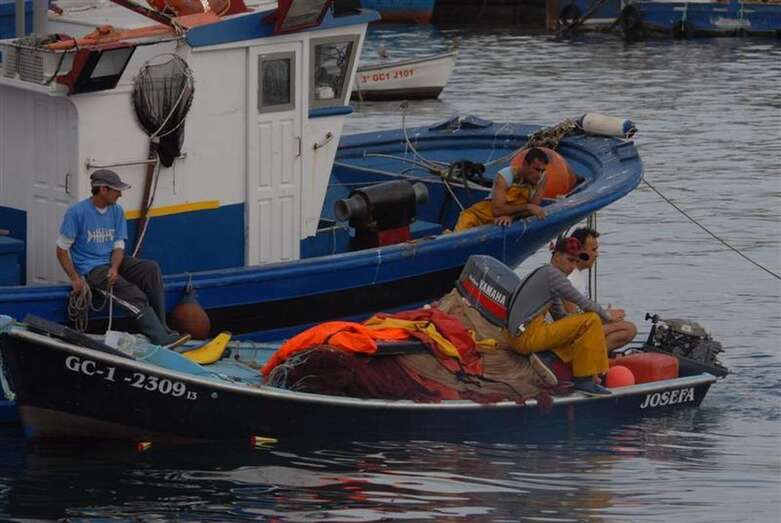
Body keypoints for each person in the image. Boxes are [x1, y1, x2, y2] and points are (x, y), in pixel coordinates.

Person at [55, 169, 188, 347]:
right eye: (116, 190)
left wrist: (115, 268)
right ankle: (159, 338)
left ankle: (163, 328)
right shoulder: (76, 213)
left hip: (111, 262)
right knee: (133, 294)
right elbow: (61, 249)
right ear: (103, 189)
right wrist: (75, 279)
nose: (120, 194)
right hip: (92, 270)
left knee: (150, 269)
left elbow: (118, 245)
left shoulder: (117, 211)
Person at [506, 237, 624, 396]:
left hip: (523, 335)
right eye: (569, 260)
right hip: (526, 336)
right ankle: (584, 380)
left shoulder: (546, 276)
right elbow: (583, 302)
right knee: (591, 319)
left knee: (584, 325)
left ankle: (550, 358)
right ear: (555, 257)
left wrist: (582, 326)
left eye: (575, 262)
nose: (571, 266)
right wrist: (607, 316)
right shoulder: (552, 275)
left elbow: (560, 316)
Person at [566, 227, 637, 351]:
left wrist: (605, 315)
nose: (597, 254)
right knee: (628, 329)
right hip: (569, 336)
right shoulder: (570, 278)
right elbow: (570, 319)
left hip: (580, 326)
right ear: (579, 252)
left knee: (618, 324)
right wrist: (604, 317)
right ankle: (586, 358)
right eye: (593, 250)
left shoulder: (577, 275)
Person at [454, 148, 549, 231]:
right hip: (477, 216)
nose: (539, 175)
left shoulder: (542, 178)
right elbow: (497, 210)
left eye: (542, 171)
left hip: (500, 220)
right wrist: (527, 206)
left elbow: (533, 209)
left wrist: (511, 217)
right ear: (524, 164)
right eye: (536, 169)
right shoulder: (505, 176)